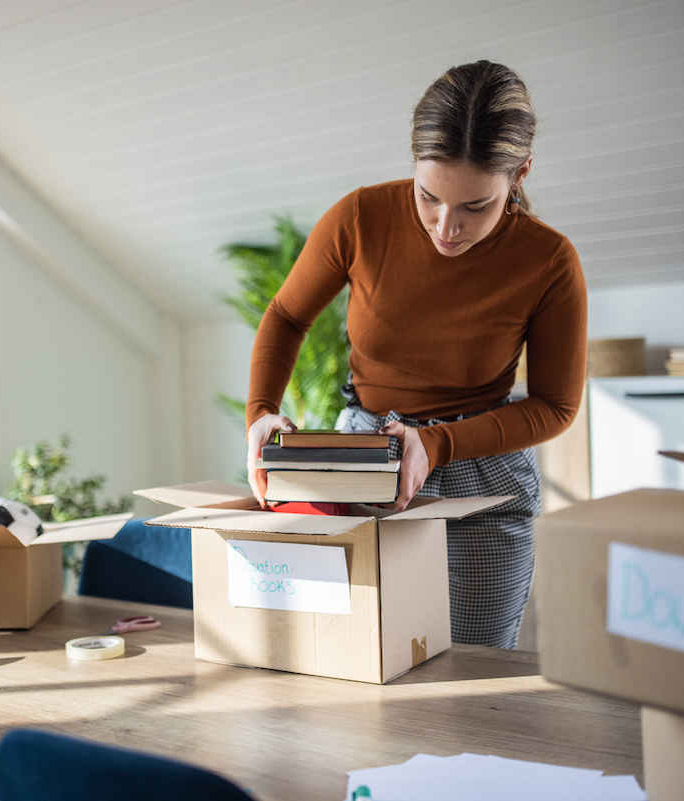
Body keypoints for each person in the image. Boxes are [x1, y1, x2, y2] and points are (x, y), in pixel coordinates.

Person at [244, 60, 587, 649]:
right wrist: (259, 414)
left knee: (471, 676)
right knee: (359, 661)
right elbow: (285, 315)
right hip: (360, 467)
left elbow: (556, 406)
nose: (445, 228)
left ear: (520, 173)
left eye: (476, 206)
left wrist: (438, 444)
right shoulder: (360, 217)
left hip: (481, 475)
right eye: (428, 197)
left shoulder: (549, 261)